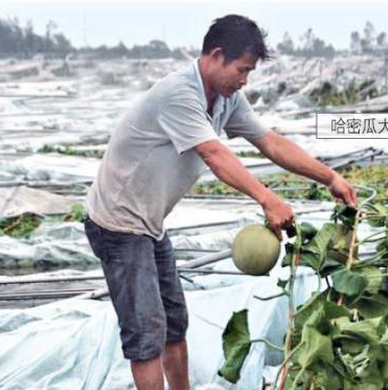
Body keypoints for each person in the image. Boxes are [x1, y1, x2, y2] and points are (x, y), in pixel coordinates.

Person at [83, 14, 357, 390]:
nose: (244, 79)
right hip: (117, 224)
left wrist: (331, 177)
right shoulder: (178, 94)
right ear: (216, 55)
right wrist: (267, 199)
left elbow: (271, 143)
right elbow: (214, 153)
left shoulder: (227, 99)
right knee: (145, 335)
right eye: (242, 69)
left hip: (150, 224)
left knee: (174, 324)